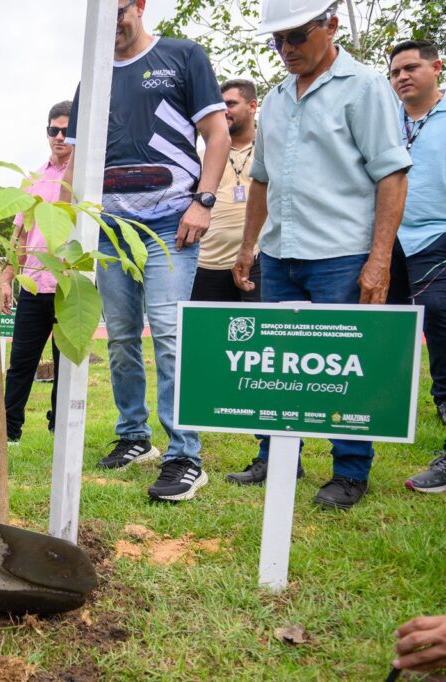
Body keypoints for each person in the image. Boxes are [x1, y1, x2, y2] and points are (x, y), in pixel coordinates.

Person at [229, 0, 411, 509]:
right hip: (281, 253)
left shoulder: (367, 87)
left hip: (342, 254)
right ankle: (275, 456)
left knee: (344, 366)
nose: (286, 50)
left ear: (330, 24)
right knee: (275, 363)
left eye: (296, 37)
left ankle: (351, 471)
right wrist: (249, 246)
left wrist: (380, 260)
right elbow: (261, 178)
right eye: (276, 41)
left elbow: (392, 174)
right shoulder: (280, 97)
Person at [63, 0, 230, 501]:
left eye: (119, 9)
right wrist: (73, 228)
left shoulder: (182, 56)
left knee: (171, 333)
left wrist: (202, 202)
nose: (112, 22)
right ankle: (134, 436)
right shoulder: (89, 80)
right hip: (110, 229)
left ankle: (185, 455)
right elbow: (74, 161)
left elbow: (217, 133)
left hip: (168, 224)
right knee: (119, 336)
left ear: (139, 5)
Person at [0, 101, 72, 446]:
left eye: (67, 130)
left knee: (66, 363)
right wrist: (7, 277)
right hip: (35, 284)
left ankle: (61, 428)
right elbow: (19, 235)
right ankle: (9, 431)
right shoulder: (33, 179)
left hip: (70, 285)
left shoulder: (85, 177)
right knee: (21, 360)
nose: (60, 136)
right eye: (54, 130)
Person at [388, 40, 446, 494]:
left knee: (443, 340)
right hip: (388, 245)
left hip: (438, 241)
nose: (402, 76)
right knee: (383, 341)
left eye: (411, 67)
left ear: (436, 68)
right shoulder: (385, 121)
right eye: (395, 72)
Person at [191, 79, 262, 303]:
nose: (224, 111)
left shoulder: (270, 149)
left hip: (258, 260)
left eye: (231, 104)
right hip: (206, 264)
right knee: (208, 336)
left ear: (252, 106)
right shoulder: (203, 156)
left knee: (259, 333)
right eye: (220, 107)